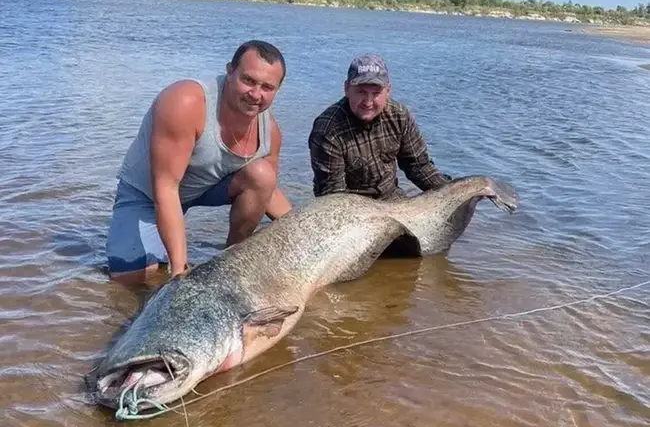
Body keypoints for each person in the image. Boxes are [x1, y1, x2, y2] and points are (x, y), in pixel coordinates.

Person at [106, 40, 292, 285]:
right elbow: (166, 188)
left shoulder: (271, 133)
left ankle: (232, 259)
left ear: (277, 90)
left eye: (267, 87)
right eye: (248, 80)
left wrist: (305, 231)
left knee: (263, 174)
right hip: (148, 193)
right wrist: (179, 272)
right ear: (229, 70)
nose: (256, 94)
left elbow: (267, 190)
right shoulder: (185, 102)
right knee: (131, 278)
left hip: (205, 187)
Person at [308, 54, 453, 200]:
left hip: (393, 199)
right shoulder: (327, 130)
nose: (368, 102)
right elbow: (333, 194)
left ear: (388, 91)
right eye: (361, 92)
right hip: (351, 207)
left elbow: (418, 166)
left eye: (376, 93)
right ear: (346, 89)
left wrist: (452, 194)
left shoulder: (399, 116)